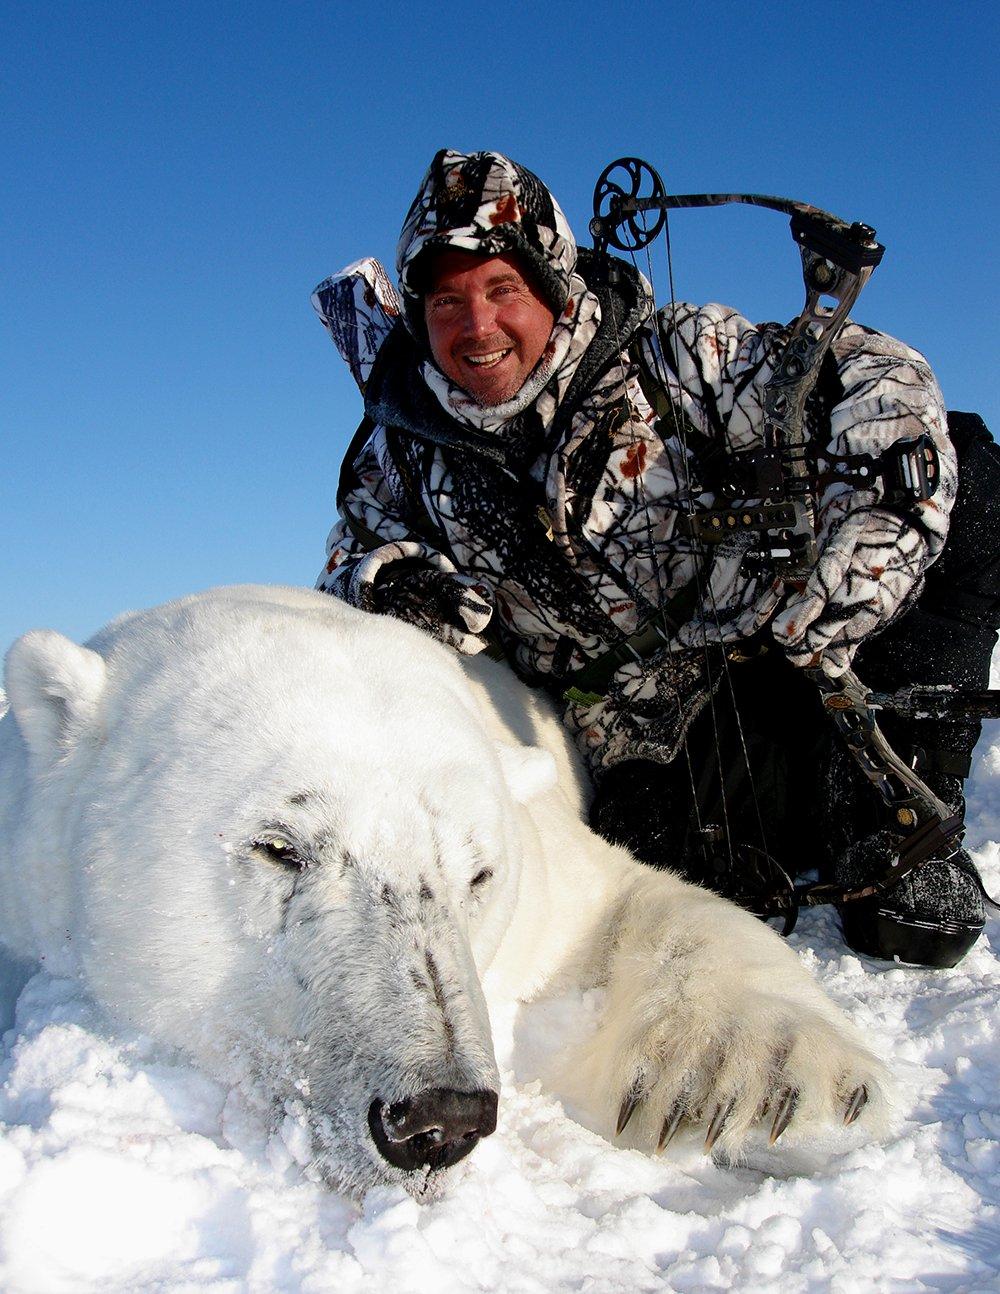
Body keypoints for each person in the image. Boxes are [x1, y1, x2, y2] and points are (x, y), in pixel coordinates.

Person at [311, 149, 1000, 968]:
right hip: (641, 739)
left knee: (973, 460)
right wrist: (398, 588)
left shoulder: (681, 357)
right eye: (448, 300)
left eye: (503, 290)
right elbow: (351, 568)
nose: (477, 326)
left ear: (556, 287)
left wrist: (867, 559)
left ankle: (906, 786)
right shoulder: (398, 453)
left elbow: (871, 377)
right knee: (684, 908)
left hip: (796, 653)